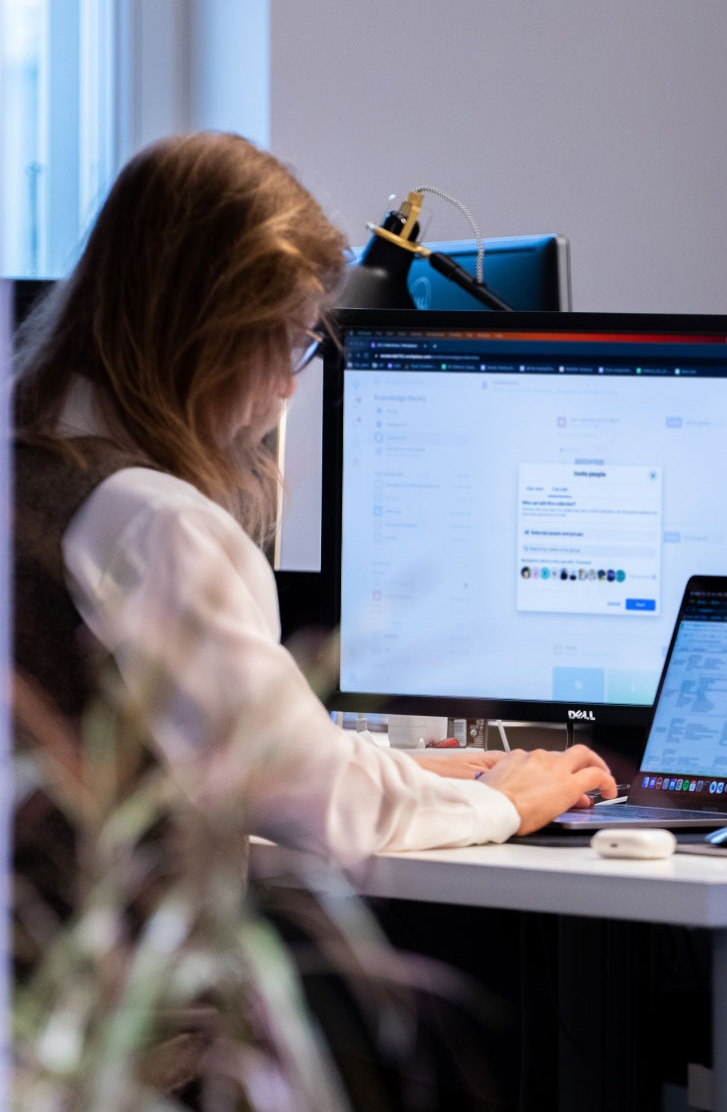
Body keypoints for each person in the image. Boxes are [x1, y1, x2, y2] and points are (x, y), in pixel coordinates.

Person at [14, 130, 616, 874]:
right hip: (125, 978)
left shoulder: (31, 467)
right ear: (215, 337)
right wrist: (505, 800)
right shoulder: (152, 524)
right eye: (291, 340)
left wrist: (403, 771)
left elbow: (250, 744)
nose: (289, 386)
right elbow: (314, 798)